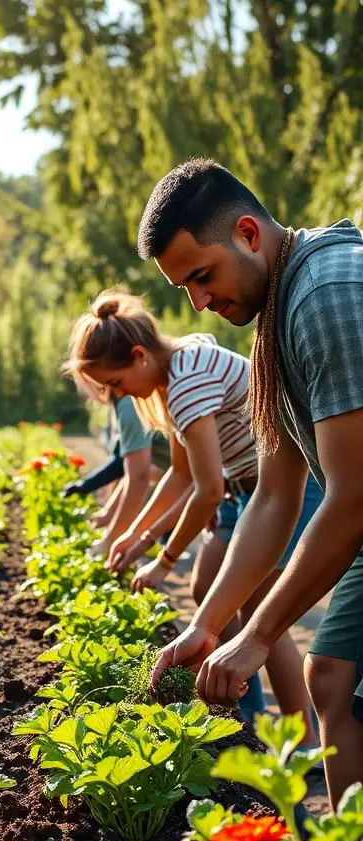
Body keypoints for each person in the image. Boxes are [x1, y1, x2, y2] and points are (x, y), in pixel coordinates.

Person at [136, 157, 363, 806]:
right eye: (185, 290)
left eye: (202, 277)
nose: (199, 303)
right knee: (332, 679)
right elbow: (274, 493)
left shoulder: (325, 294)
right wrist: (208, 626)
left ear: (248, 234)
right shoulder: (275, 320)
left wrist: (259, 637)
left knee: (339, 683)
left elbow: (352, 496)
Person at [66, 290, 320, 740]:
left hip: (287, 487)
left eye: (117, 384)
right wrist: (139, 536)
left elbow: (206, 490)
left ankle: (301, 742)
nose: (119, 395)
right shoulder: (179, 366)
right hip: (244, 490)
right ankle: (245, 714)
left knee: (263, 609)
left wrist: (163, 561)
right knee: (206, 587)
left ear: (139, 356)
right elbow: (181, 477)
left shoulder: (188, 380)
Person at [63, 392, 153, 558]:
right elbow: (126, 465)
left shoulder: (128, 404)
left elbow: (134, 474)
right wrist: (108, 512)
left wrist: (109, 541)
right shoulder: (124, 403)